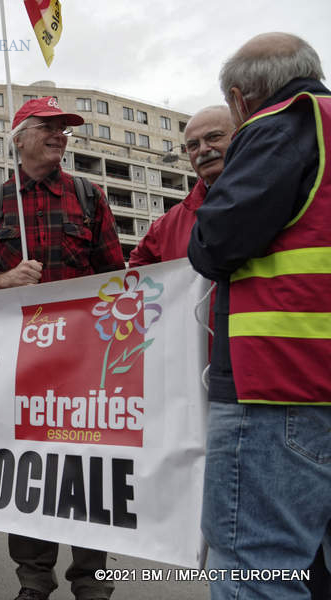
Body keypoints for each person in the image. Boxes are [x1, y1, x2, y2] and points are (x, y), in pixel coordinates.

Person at [188, 33, 331, 600]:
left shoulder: (283, 124)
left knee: (257, 565)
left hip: (281, 388)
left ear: (242, 100)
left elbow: (216, 241)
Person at [0, 96, 124, 600]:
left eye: (64, 129)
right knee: (30, 474)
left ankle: (92, 582)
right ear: (20, 138)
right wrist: (2, 280)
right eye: (48, 127)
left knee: (89, 475)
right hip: (22, 364)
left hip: (84, 366)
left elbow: (116, 278)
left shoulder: (90, 196)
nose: (60, 135)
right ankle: (34, 581)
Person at [129, 106, 234, 266]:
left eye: (213, 137)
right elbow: (138, 272)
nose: (203, 150)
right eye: (193, 146)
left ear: (239, 136)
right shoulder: (167, 226)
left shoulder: (275, 192)